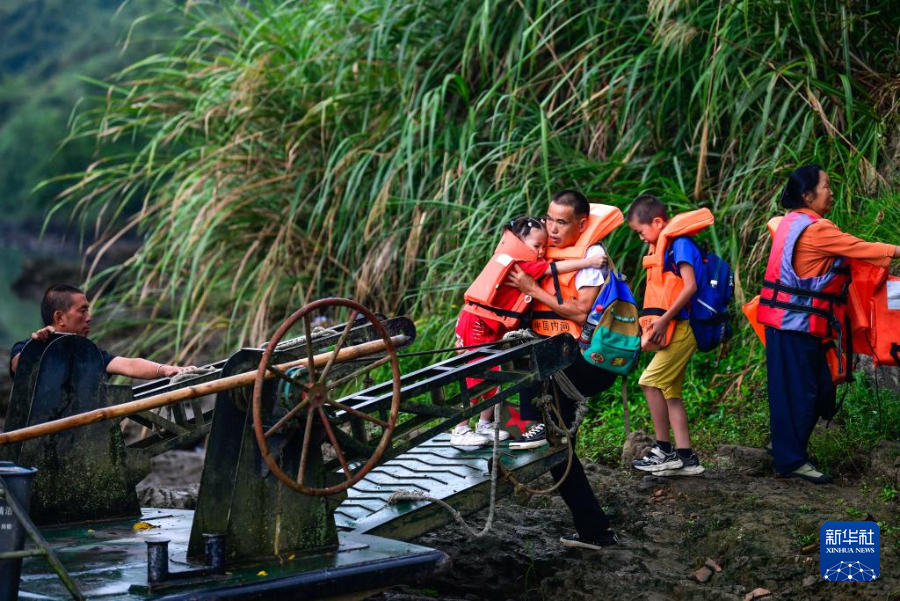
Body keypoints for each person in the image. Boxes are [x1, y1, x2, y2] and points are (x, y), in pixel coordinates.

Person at [758, 165, 900, 484]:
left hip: (788, 323)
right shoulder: (817, 230)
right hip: (794, 324)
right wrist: (896, 251)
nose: (831, 192)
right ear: (808, 195)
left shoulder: (791, 221)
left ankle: (786, 449)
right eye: (826, 186)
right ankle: (791, 461)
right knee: (806, 392)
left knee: (814, 388)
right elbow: (861, 248)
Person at [505, 190, 619, 550]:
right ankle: (595, 531)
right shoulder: (545, 251)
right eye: (549, 220)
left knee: (555, 444)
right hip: (552, 359)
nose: (552, 229)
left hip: (581, 362)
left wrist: (532, 289)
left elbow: (582, 311)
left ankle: (525, 433)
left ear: (581, 225)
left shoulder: (591, 258)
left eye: (562, 223)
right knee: (559, 449)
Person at [451, 216, 607, 447]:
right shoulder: (519, 265)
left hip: (489, 325)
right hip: (477, 324)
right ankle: (460, 429)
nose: (541, 251)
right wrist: (589, 262)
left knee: (492, 373)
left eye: (544, 246)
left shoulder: (518, 260)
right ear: (519, 244)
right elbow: (553, 268)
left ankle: (484, 424)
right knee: (476, 376)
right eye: (536, 246)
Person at [627, 195, 707, 476]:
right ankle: (687, 459)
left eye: (641, 231)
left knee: (649, 382)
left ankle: (664, 450)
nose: (641, 238)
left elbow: (690, 286)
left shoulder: (680, 243)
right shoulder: (669, 244)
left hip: (686, 327)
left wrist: (664, 319)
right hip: (678, 326)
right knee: (670, 392)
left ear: (658, 222)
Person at [9, 284, 195, 379]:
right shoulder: (24, 347)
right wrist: (37, 347)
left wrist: (166, 370)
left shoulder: (88, 354)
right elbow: (18, 366)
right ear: (60, 318)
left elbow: (130, 365)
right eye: (82, 311)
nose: (89, 317)